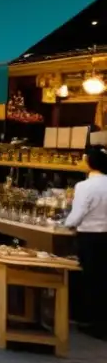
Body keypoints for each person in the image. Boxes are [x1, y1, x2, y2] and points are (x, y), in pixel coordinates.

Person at [65, 145, 107, 339]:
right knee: (103, 279)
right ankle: (102, 322)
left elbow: (77, 214)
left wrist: (67, 224)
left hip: (89, 237)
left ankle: (90, 321)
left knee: (89, 278)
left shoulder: (84, 186)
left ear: (90, 163)